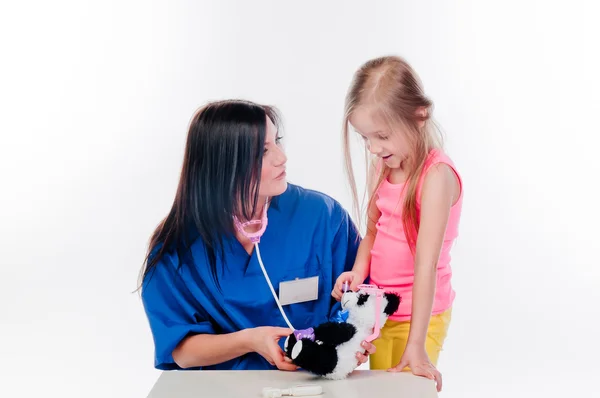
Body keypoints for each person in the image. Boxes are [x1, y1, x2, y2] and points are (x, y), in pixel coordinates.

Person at [139, 99, 375, 371]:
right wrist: (250, 340)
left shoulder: (321, 217)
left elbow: (361, 299)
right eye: (263, 151)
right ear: (222, 164)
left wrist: (352, 343)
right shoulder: (178, 248)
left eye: (277, 141)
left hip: (314, 385)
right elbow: (181, 350)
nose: (281, 157)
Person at [331, 55, 463, 392]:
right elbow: (373, 230)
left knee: (406, 388)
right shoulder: (384, 165)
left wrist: (416, 345)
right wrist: (358, 273)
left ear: (419, 117)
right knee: (380, 390)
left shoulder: (436, 177)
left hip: (421, 317)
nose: (374, 148)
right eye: (365, 139)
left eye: (382, 136)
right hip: (381, 312)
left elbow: (426, 264)